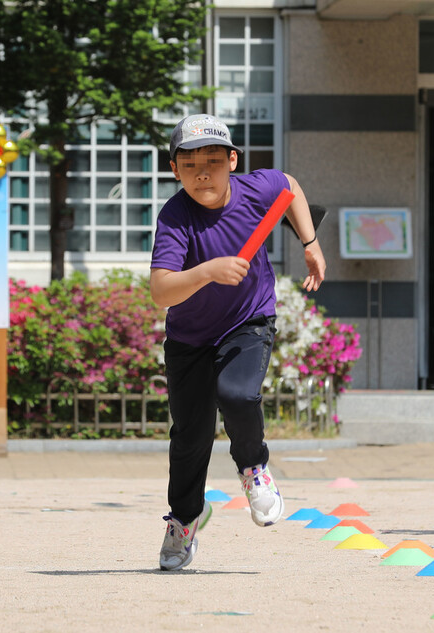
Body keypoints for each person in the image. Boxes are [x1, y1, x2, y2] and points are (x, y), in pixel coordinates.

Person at [149, 114, 326, 571]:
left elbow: (290, 186)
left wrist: (310, 240)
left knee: (239, 394)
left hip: (247, 321)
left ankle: (254, 468)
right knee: (189, 437)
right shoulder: (175, 216)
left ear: (233, 160)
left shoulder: (256, 190)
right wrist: (208, 271)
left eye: (213, 161)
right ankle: (185, 520)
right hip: (189, 338)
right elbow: (161, 291)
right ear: (175, 170)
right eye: (190, 165)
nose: (203, 173)